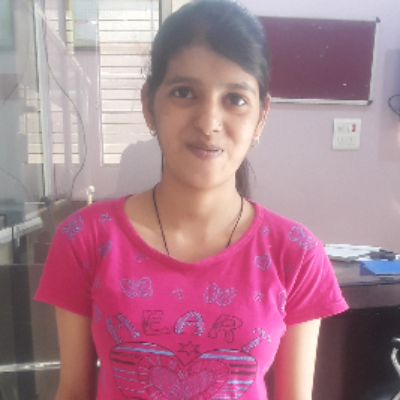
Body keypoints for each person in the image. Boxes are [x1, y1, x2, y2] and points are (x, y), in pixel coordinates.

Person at [35, 1, 348, 399]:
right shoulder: (85, 238)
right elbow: (73, 391)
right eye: (184, 93)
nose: (209, 122)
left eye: (235, 98)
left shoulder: (295, 253)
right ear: (149, 105)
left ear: (261, 116)